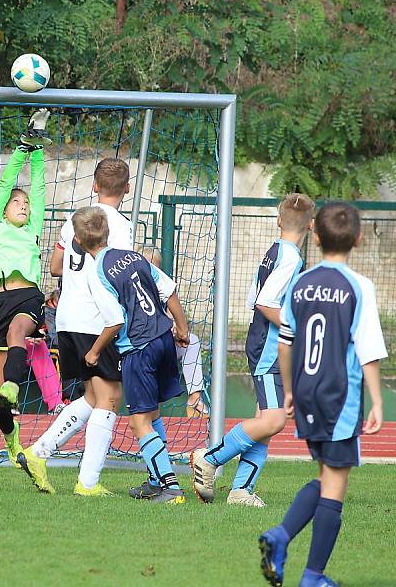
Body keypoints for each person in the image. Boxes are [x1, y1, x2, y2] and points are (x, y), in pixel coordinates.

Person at [258, 202, 387, 587]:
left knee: (326, 474)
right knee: (336, 484)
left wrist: (292, 390)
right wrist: (377, 401)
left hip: (309, 390)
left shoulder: (301, 282)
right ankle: (310, 574)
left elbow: (285, 343)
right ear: (358, 239)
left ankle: (282, 540)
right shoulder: (358, 286)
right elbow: (368, 349)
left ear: (314, 234)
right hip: (339, 394)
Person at [17, 158, 136, 495]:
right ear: (126, 188)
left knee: (92, 394)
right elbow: (120, 273)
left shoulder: (76, 220)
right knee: (111, 397)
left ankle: (39, 452)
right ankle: (88, 482)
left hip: (66, 317)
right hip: (97, 319)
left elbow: (55, 265)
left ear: (94, 186)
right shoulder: (120, 226)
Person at [191, 194, 315, 507]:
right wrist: (292, 327)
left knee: (265, 419)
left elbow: (253, 298)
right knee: (274, 420)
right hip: (270, 349)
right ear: (311, 225)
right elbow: (265, 302)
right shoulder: (291, 258)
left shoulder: (274, 251)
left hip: (261, 341)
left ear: (278, 220)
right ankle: (210, 458)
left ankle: (241, 490)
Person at [70, 206, 191, 503]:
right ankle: (155, 480)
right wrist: (183, 328)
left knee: (138, 421)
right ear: (107, 231)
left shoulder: (97, 274)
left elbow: (115, 322)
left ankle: (171, 487)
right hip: (164, 337)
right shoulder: (135, 256)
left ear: (78, 241)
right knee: (152, 413)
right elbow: (169, 291)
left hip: (140, 347)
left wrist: (94, 353)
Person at [0, 109, 50, 467]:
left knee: (18, 331)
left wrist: (37, 147)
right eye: (17, 203)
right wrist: (23, 147)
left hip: (27, 296)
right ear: (3, 210)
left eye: (25, 204)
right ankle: (12, 444)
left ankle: (13, 386)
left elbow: (37, 187)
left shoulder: (32, 228)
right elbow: (7, 182)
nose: (23, 206)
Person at [0, 278, 64, 414]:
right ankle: (6, 405)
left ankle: (56, 404)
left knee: (38, 346)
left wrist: (32, 334)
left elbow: (36, 325)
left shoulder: (27, 287)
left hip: (18, 339)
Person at [144, 247, 209, 418]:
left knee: (192, 341)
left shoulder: (165, 288)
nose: (150, 270)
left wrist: (174, 327)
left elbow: (174, 317)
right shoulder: (132, 288)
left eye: (154, 266)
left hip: (163, 346)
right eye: (146, 265)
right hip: (139, 348)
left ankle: (194, 400)